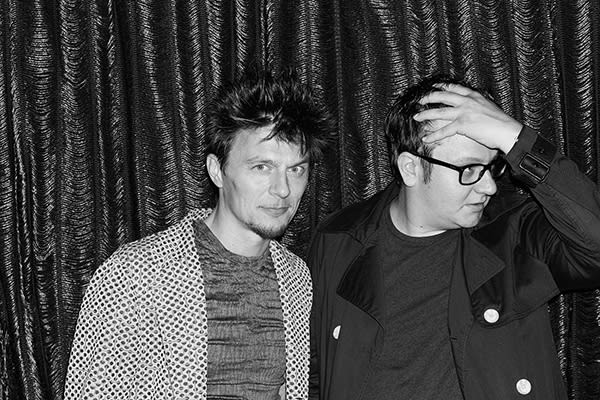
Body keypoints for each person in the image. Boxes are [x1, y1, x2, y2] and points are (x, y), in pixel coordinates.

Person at [308, 75, 600, 400]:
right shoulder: (339, 239)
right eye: (469, 169)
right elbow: (315, 375)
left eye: (492, 167)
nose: (489, 186)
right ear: (410, 168)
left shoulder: (513, 233)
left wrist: (515, 137)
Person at [64, 68, 333, 400]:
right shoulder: (135, 273)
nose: (282, 189)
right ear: (217, 171)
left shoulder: (297, 277)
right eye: (261, 167)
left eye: (296, 169)